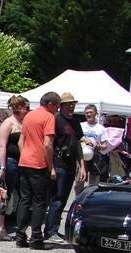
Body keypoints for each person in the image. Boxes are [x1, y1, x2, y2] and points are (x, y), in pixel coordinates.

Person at [15, 91, 60, 250]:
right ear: (50, 104)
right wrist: (51, 167)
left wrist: (26, 155)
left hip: (24, 161)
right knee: (40, 202)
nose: (57, 110)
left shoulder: (29, 116)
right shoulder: (48, 117)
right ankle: (36, 239)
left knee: (24, 199)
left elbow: (21, 142)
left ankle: (20, 237)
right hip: (39, 164)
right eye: (57, 106)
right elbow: (48, 145)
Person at [44, 92, 86, 244]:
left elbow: (78, 145)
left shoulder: (75, 122)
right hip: (59, 162)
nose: (71, 107)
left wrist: (82, 166)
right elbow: (49, 145)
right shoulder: (56, 120)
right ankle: (50, 231)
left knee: (62, 199)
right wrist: (52, 167)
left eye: (72, 104)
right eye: (68, 104)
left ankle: (52, 229)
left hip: (70, 164)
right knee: (56, 198)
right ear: (61, 106)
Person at [0, 95, 29, 241]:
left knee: (21, 195)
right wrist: (2, 167)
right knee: (3, 193)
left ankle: (19, 227)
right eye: (27, 107)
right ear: (19, 108)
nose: (28, 110)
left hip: (21, 162)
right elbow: (2, 146)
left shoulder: (24, 122)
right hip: (9, 161)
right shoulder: (9, 123)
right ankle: (0, 228)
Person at [75, 104, 107, 193]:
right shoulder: (80, 125)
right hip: (81, 154)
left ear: (96, 113)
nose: (89, 114)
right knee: (79, 179)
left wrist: (101, 146)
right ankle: (78, 199)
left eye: (91, 112)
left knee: (94, 181)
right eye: (87, 113)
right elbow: (75, 138)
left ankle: (90, 198)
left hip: (94, 155)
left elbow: (105, 145)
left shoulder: (101, 128)